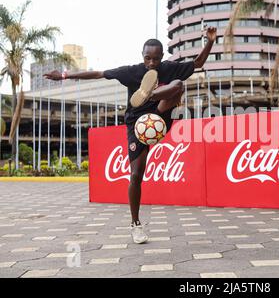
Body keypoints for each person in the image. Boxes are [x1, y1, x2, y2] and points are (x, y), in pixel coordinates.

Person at [44, 27, 217, 244]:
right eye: (148, 58)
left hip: (160, 115)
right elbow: (99, 73)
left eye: (156, 59)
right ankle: (135, 224)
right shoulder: (132, 72)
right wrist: (64, 75)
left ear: (162, 57)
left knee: (178, 84)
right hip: (138, 124)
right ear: (142, 56)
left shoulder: (169, 68)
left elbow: (198, 64)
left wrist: (209, 41)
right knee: (136, 175)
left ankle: (150, 93)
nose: (152, 63)